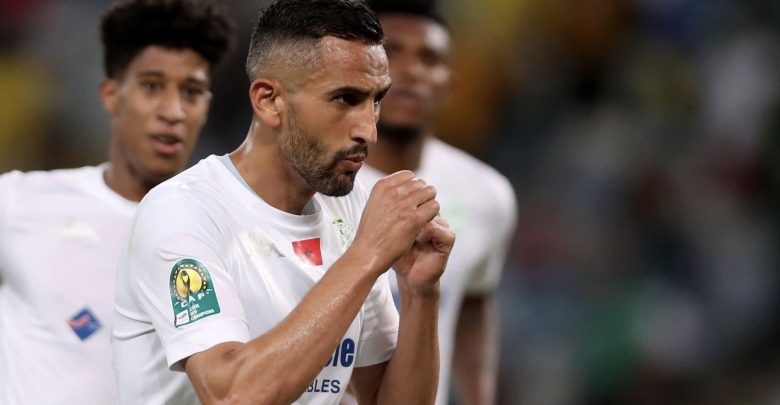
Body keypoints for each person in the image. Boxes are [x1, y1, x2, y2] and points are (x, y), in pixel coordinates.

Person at [112, 0, 455, 404]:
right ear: (269, 100)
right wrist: (367, 255)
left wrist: (420, 292)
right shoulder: (183, 212)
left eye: (376, 100)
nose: (369, 131)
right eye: (346, 99)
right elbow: (231, 396)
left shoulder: (349, 209)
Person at [0, 1, 234, 403]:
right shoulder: (19, 202)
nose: (173, 111)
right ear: (111, 95)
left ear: (206, 108)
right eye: (152, 86)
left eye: (191, 92)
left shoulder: (230, 230)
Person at [355, 2, 518, 404]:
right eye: (392, 52)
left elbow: (474, 302)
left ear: (449, 86)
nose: (410, 71)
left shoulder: (487, 195)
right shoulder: (313, 184)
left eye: (428, 59)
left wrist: (479, 397)